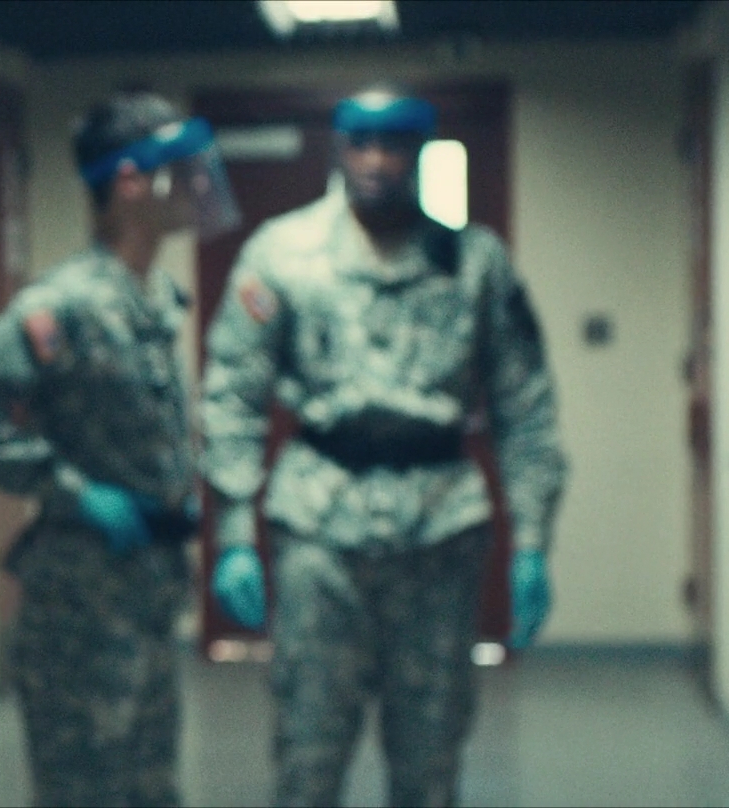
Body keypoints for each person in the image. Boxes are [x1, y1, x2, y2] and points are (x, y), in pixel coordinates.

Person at [202, 88, 567, 807]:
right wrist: (234, 530)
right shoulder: (283, 253)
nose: (376, 161)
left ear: (419, 152)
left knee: (430, 757)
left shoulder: (473, 262)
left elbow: (525, 407)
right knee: (308, 752)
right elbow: (233, 394)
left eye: (394, 144)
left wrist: (532, 540)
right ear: (338, 149)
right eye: (360, 143)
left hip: (439, 529)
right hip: (319, 529)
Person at [0, 90, 241, 807]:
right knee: (83, 789)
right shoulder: (67, 302)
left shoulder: (153, 296)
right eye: (177, 168)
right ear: (130, 183)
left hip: (148, 588)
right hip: (81, 599)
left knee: (151, 787)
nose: (195, 184)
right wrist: (69, 490)